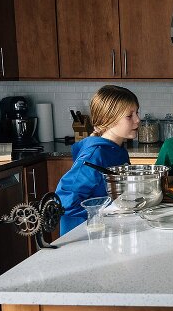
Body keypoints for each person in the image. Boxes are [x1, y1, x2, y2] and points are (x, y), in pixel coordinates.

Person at [55, 85, 140, 235]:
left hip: (110, 231)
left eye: (137, 113)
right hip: (87, 237)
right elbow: (64, 201)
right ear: (108, 119)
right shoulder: (94, 155)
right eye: (129, 115)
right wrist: (99, 217)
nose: (138, 120)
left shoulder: (118, 150)